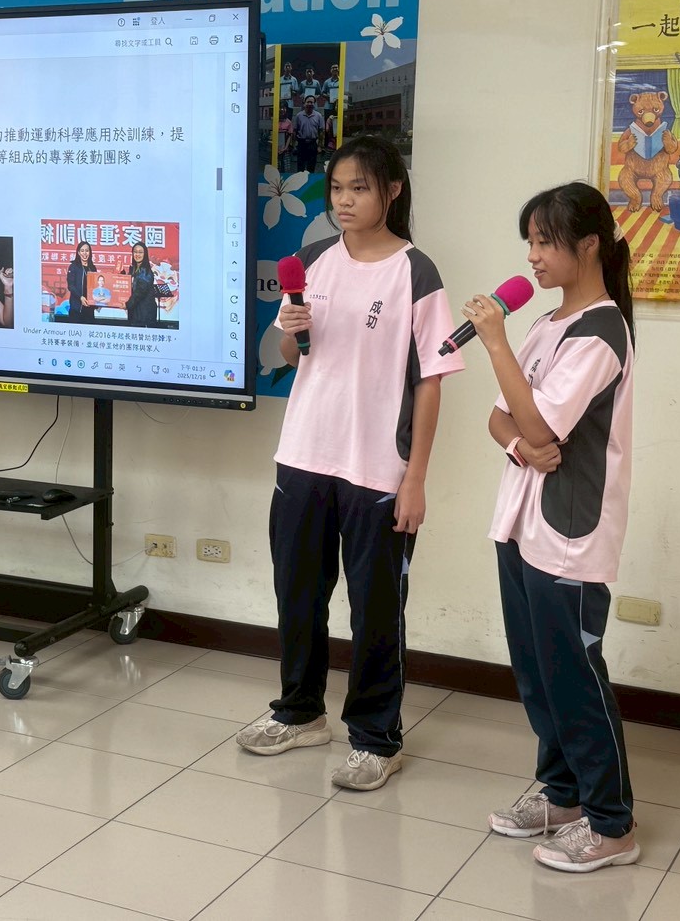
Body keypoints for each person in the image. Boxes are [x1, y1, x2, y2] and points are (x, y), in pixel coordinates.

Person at [236, 136, 463, 793]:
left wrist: (415, 478)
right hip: (303, 455)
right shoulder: (310, 262)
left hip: (378, 470)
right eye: (336, 188)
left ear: (392, 191)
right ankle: (300, 712)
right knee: (297, 594)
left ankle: (375, 738)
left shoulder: (416, 272)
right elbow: (294, 356)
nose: (343, 200)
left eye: (359, 188)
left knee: (375, 610)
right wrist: (290, 328)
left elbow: (431, 381)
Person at [460, 181, 639, 873]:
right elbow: (502, 419)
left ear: (587, 244)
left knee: (574, 677)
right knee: (537, 672)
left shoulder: (600, 331)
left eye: (544, 242)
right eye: (528, 243)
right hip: (520, 524)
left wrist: (496, 347)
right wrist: (520, 444)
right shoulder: (545, 323)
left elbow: (537, 423)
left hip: (569, 533)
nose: (531, 257)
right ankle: (562, 795)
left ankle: (612, 824)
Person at [124, 241, 170, 326]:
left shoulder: (146, 272)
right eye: (135, 252)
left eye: (140, 252)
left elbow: (140, 292)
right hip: (135, 313)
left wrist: (127, 305)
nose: (137, 254)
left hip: (144, 315)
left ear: (145, 254)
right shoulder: (134, 270)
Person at [63, 240, 97, 324]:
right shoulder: (73, 267)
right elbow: (71, 286)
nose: (84, 253)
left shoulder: (92, 268)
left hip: (89, 308)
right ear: (78, 252)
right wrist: (80, 297)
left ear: (90, 252)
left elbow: (95, 287)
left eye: (87, 251)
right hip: (77, 308)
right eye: (82, 251)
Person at [292, 96, 325, 173]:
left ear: (314, 104)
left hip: (312, 145)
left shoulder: (318, 116)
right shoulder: (299, 116)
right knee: (300, 168)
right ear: (304, 103)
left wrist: (320, 146)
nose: (310, 104)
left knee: (311, 167)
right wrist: (294, 146)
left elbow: (321, 132)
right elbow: (294, 131)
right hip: (301, 144)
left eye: (311, 102)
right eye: (308, 102)